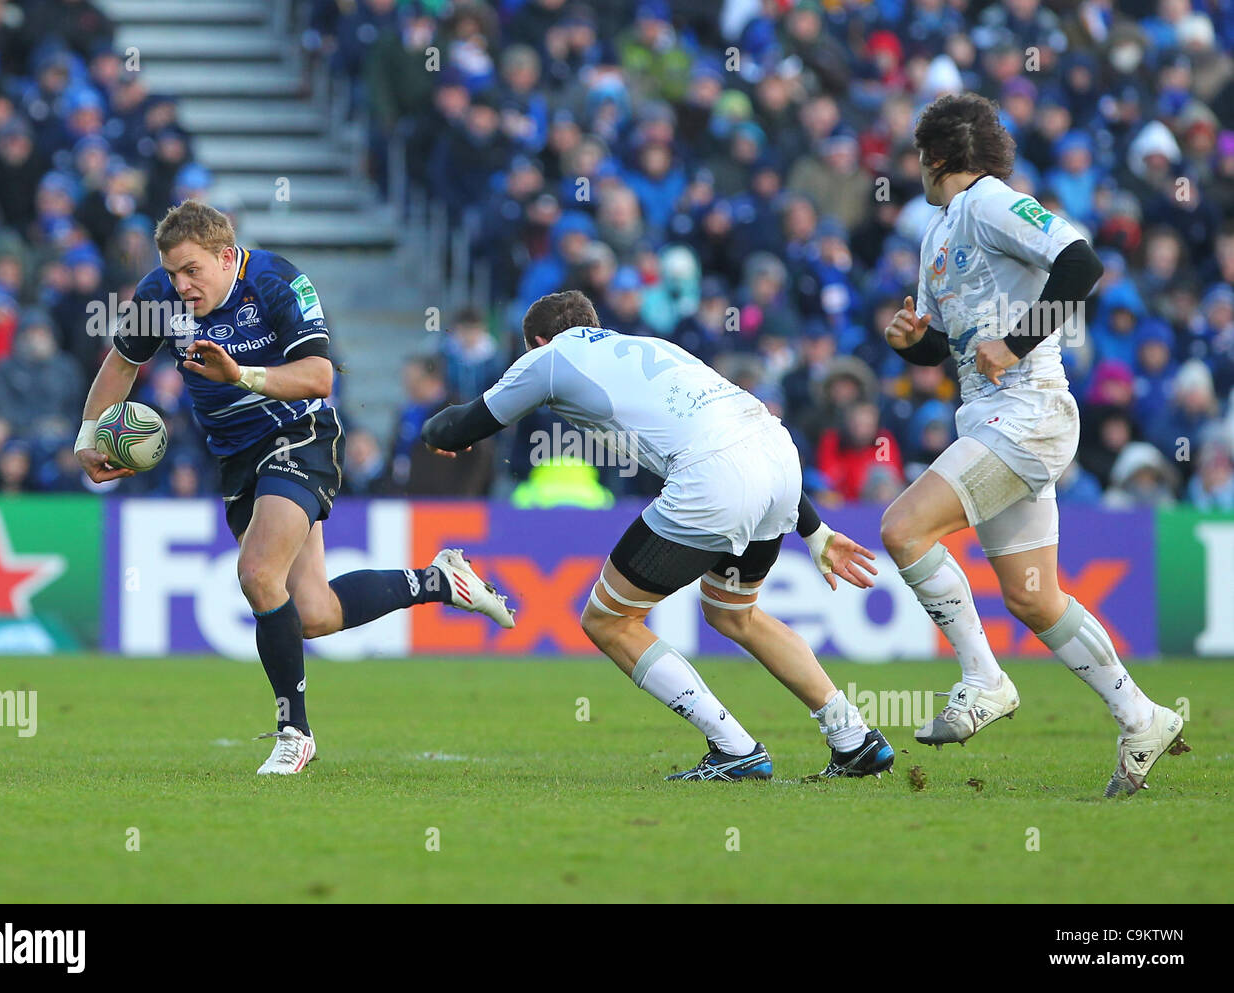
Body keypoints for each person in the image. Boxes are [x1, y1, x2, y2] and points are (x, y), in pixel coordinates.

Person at [73, 200, 514, 775]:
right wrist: (88, 436)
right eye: (173, 273)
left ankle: (294, 731)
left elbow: (319, 376)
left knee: (257, 573)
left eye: (192, 271)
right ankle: (438, 579)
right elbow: (122, 363)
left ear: (226, 256)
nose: (181, 285)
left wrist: (241, 374)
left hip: (298, 436)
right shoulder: (157, 296)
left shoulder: (278, 283)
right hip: (235, 459)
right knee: (313, 613)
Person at [422, 289, 891, 781]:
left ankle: (735, 748)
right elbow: (738, 433)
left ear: (537, 342)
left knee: (609, 620)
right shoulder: (653, 346)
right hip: (779, 456)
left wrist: (433, 433)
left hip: (715, 478)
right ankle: (853, 738)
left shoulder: (550, 358)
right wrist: (815, 530)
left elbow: (458, 426)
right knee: (735, 613)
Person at [879, 94, 1187, 798]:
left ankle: (984, 679)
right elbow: (954, 351)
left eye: (918, 157)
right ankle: (1141, 716)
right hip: (992, 417)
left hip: (1028, 412)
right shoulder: (937, 235)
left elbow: (1082, 263)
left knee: (902, 527)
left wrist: (1016, 342)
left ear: (934, 157)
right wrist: (913, 344)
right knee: (1032, 596)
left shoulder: (990, 201)